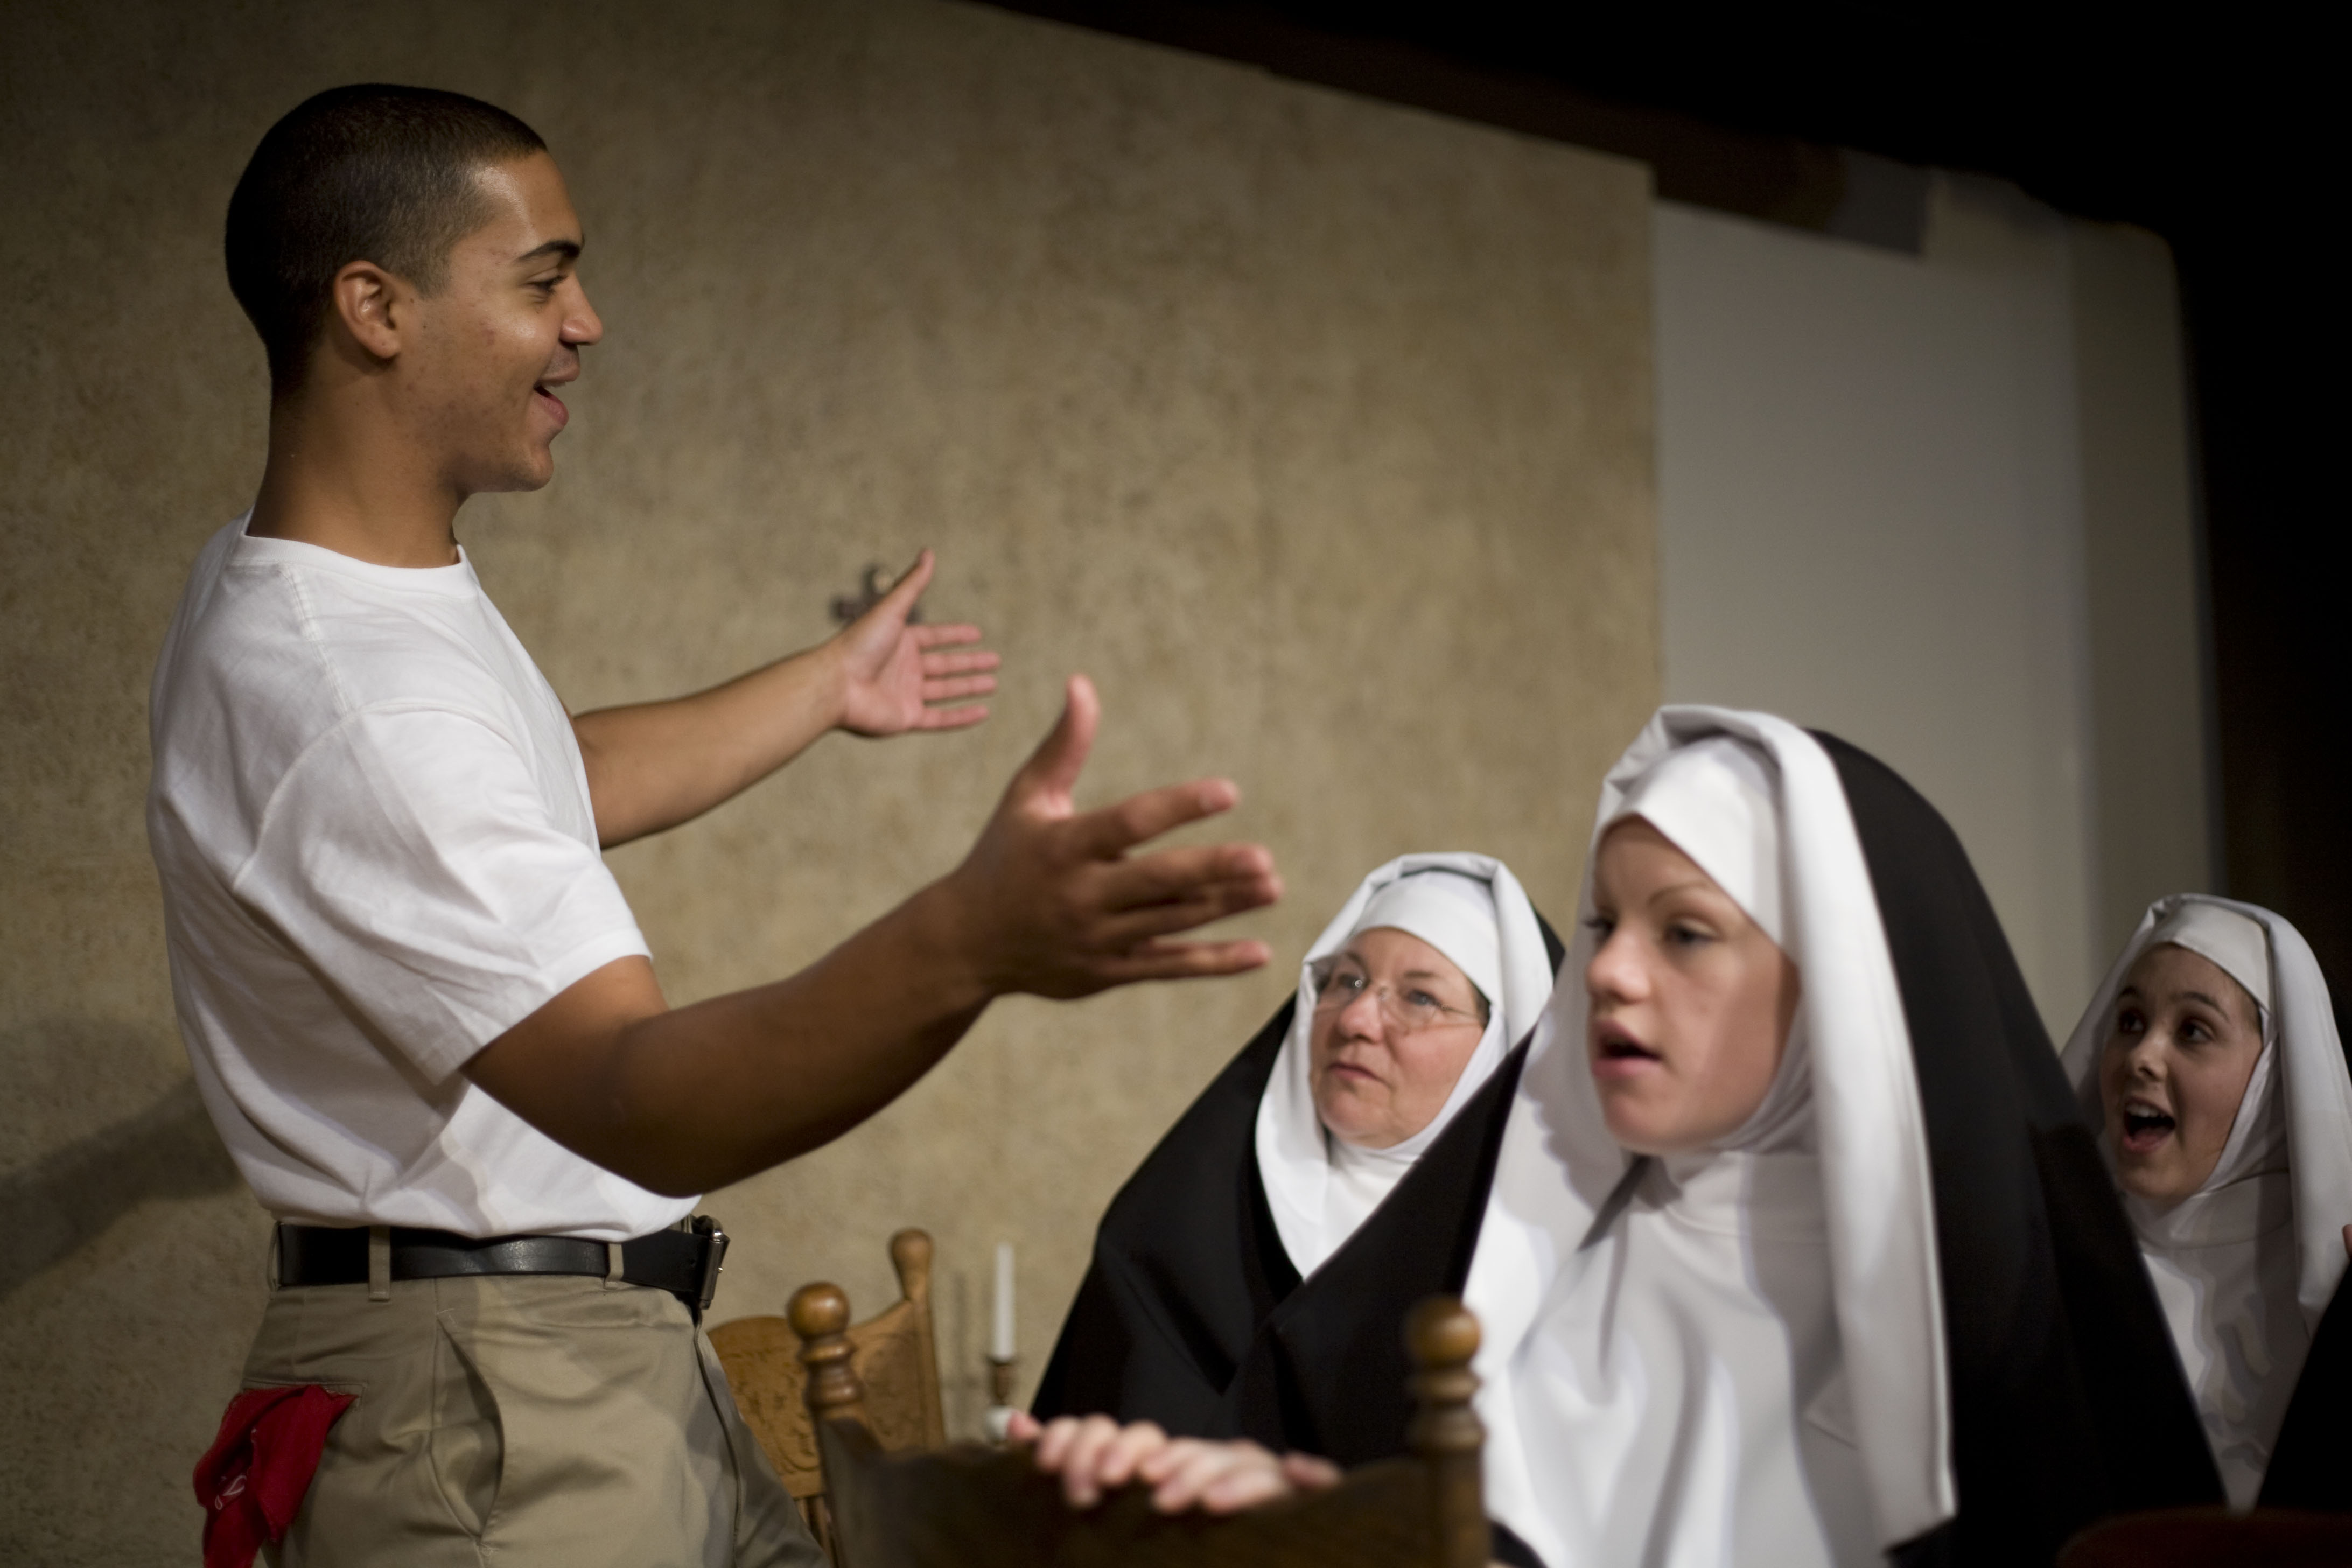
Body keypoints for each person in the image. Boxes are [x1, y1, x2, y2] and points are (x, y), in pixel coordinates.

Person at [153, 84, 1281, 1568]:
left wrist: (823, 687)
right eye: (543, 280)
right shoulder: (349, 697)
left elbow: (543, 781)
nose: (589, 323)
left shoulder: (320, 589)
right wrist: (968, 942)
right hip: (503, 1418)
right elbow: (638, 1092)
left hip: (589, 1367)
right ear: (376, 307)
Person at [1023, 708, 2224, 1566]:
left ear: (1840, 991)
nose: (1609, 972)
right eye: (1601, 921)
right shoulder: (1511, 1248)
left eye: (1686, 933)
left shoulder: (1992, 1327)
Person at [1031, 855, 1561, 1463]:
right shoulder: (1173, 1234)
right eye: (1347, 981)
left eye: (1420, 997)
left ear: (1504, 1048)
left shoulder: (1550, 1263)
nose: (1358, 1019)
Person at [2057, 895, 2352, 1511]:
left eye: (2193, 1030)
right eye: (2131, 1021)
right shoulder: (2049, 1280)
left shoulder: (2331, 1301)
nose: (2142, 1056)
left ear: (2272, 1079)